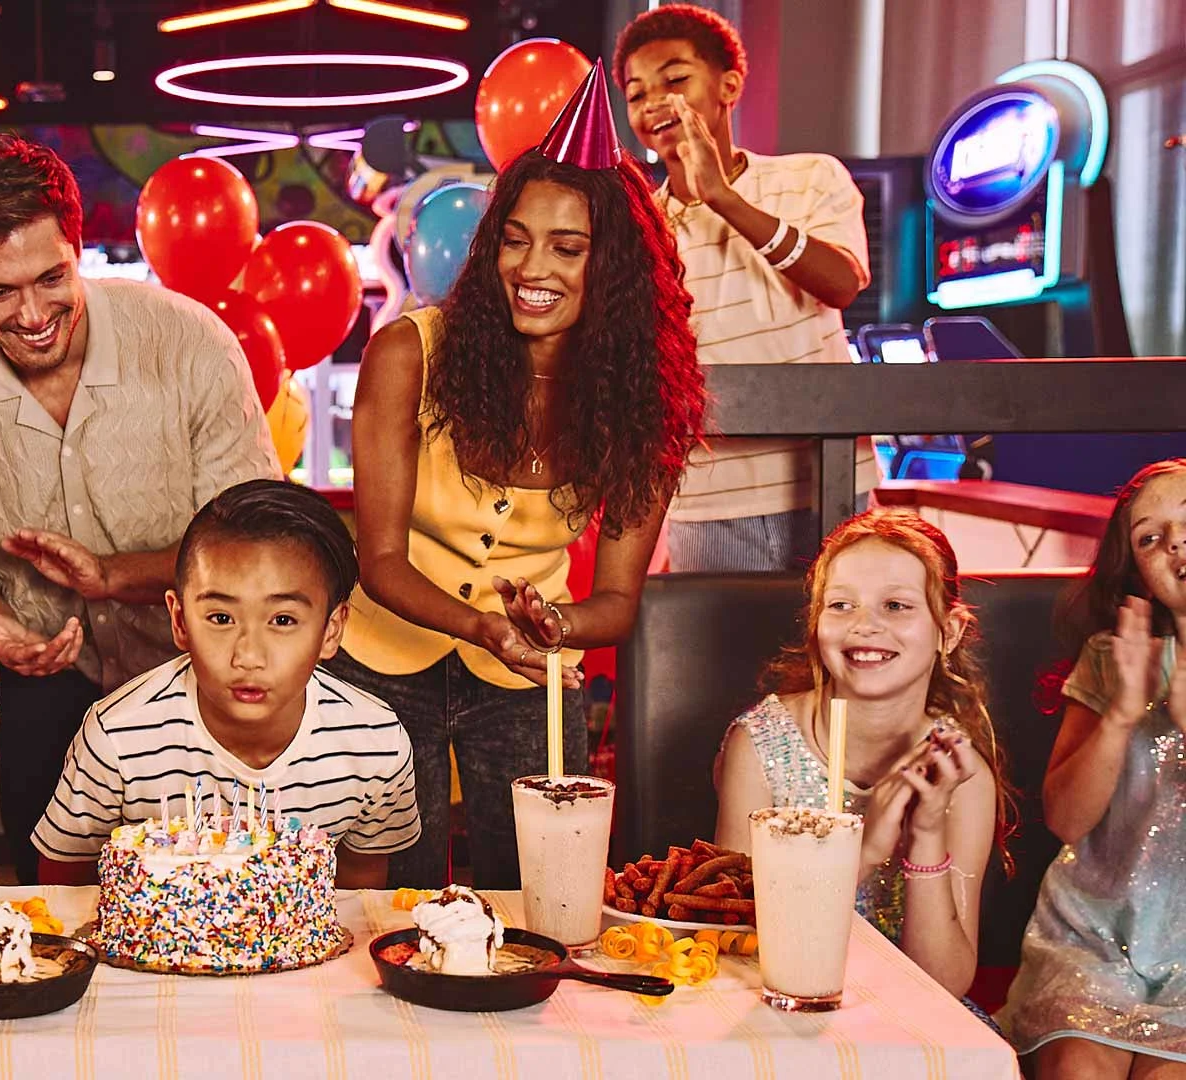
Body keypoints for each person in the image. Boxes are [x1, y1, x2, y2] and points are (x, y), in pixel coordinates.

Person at [327, 67, 708, 889]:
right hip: (381, 662)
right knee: (397, 899)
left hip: (526, 677)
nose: (532, 265)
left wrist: (552, 626)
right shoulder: (411, 354)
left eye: (568, 247)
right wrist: (483, 627)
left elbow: (616, 604)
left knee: (534, 893)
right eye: (515, 237)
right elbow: (380, 563)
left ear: (612, 269)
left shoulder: (643, 404)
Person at [0, 134, 279, 884]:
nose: (33, 314)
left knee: (217, 901)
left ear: (78, 245)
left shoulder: (190, 344)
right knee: (56, 918)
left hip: (201, 669)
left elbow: (254, 549)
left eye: (51, 277)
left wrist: (112, 575)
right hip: (46, 683)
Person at [32, 480, 419, 888]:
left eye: (283, 620)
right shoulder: (116, 737)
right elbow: (62, 894)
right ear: (180, 621)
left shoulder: (375, 743)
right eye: (220, 618)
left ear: (331, 629)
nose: (248, 656)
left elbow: (360, 901)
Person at [614, 4, 879, 571]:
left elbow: (840, 283)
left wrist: (722, 198)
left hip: (829, 478)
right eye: (637, 94)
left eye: (676, 79)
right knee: (723, 660)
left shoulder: (811, 176)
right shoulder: (640, 228)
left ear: (729, 85)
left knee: (842, 652)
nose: (654, 101)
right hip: (711, 496)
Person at [715, 510, 1011, 1001]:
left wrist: (926, 833)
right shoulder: (761, 745)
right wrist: (866, 849)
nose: (865, 625)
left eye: (896, 605)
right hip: (775, 1001)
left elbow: (944, 985)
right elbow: (733, 936)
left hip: (904, 1014)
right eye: (841, 605)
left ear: (950, 632)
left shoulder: (961, 773)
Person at [1000, 459, 1186, 1075]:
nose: (1175, 545)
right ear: (1137, 571)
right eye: (1150, 538)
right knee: (1079, 1069)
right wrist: (1121, 716)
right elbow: (1066, 819)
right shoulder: (1112, 656)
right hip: (1093, 940)